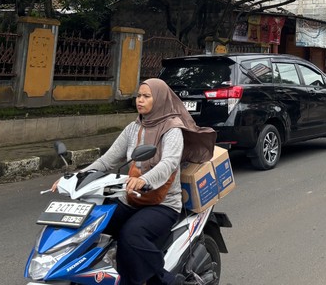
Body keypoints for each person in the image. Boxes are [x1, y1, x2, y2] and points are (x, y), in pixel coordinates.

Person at [53, 78, 215, 285]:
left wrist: (145, 179)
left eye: (147, 96)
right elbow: (106, 161)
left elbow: (169, 163)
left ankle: (166, 280)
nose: (140, 100)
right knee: (91, 224)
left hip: (162, 204)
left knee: (131, 234)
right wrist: (74, 178)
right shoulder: (134, 128)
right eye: (139, 96)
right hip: (131, 199)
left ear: (160, 100)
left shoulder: (172, 129)